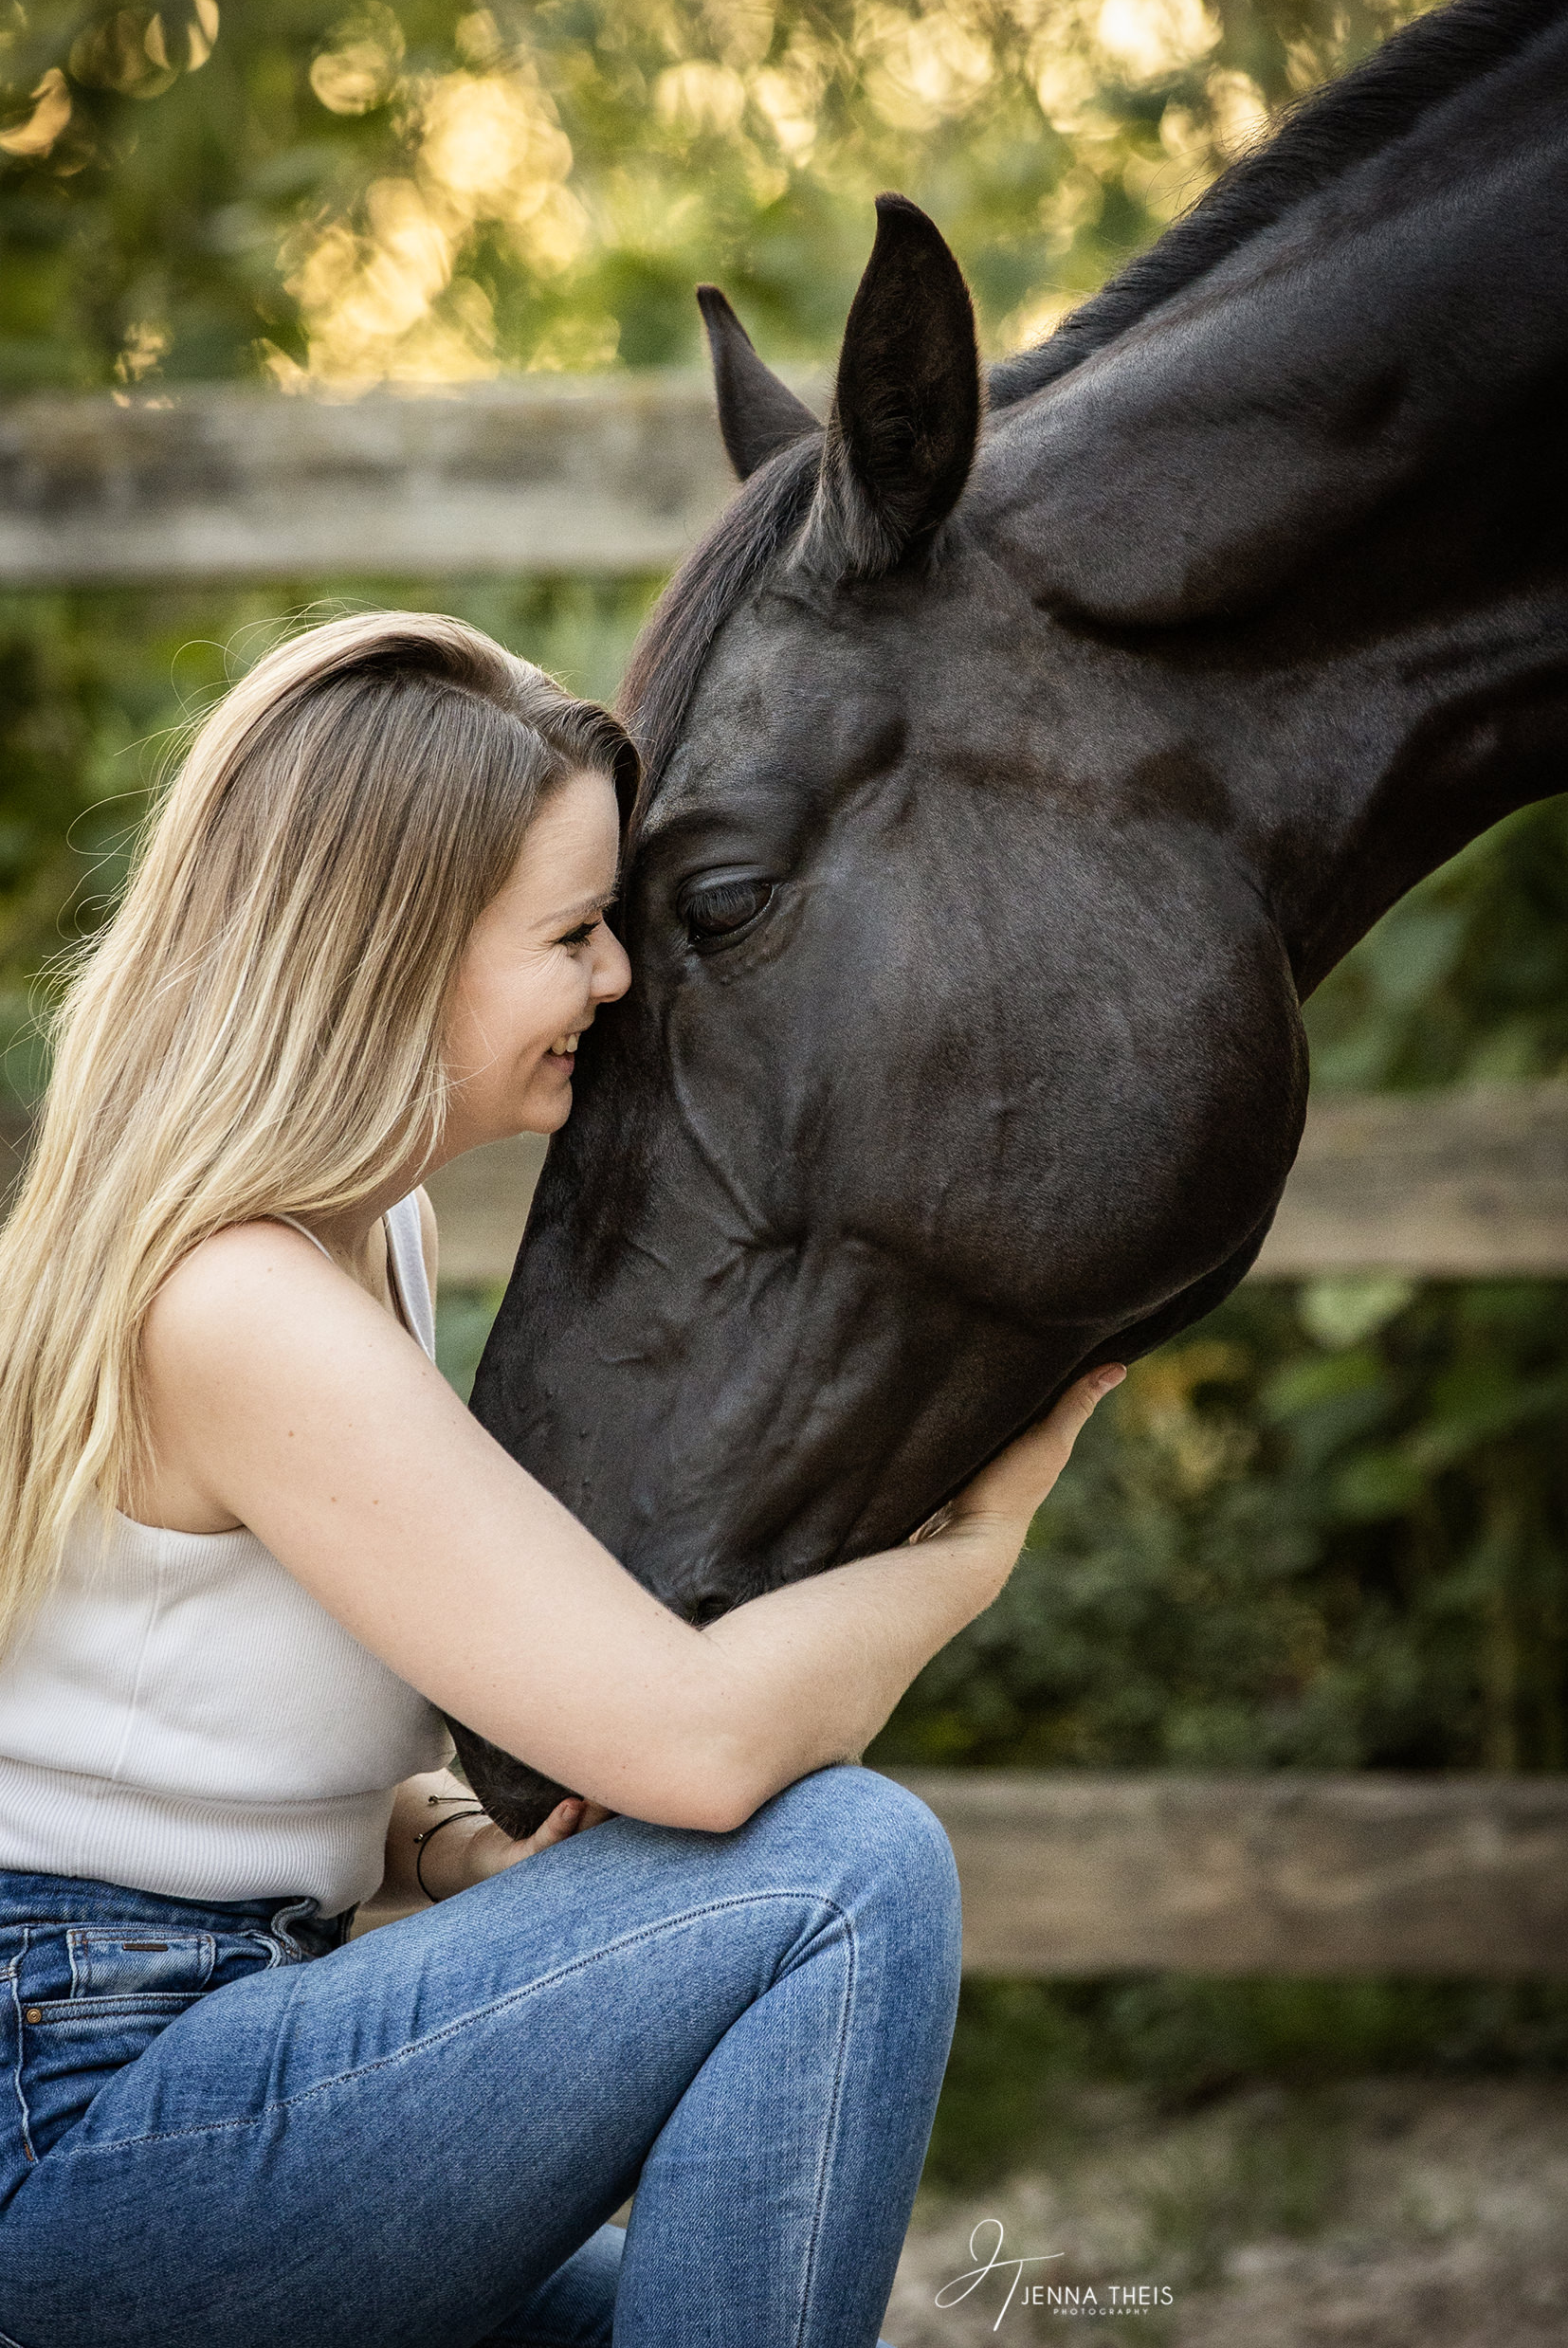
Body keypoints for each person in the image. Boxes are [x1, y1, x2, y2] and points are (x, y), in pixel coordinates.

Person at [0, 610, 1121, 2348]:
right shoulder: (231, 1301)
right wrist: (969, 1553)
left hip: (195, 2045)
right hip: (76, 2123)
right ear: (393, 956)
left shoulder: (353, 1245)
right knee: (838, 1865)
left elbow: (162, 1728)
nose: (616, 980)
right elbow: (692, 1744)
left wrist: (449, 1852)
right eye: (575, 932)